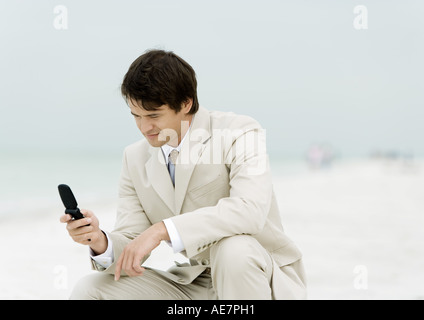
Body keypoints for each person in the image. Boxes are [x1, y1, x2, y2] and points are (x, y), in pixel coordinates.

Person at [60, 49, 307, 300]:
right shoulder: (134, 158)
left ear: (186, 103)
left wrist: (162, 230)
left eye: (154, 115)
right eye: (136, 116)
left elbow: (249, 211)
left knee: (234, 250)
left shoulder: (240, 132)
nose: (145, 128)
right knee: (90, 290)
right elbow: (134, 241)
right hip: (195, 285)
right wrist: (99, 240)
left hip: (258, 278)